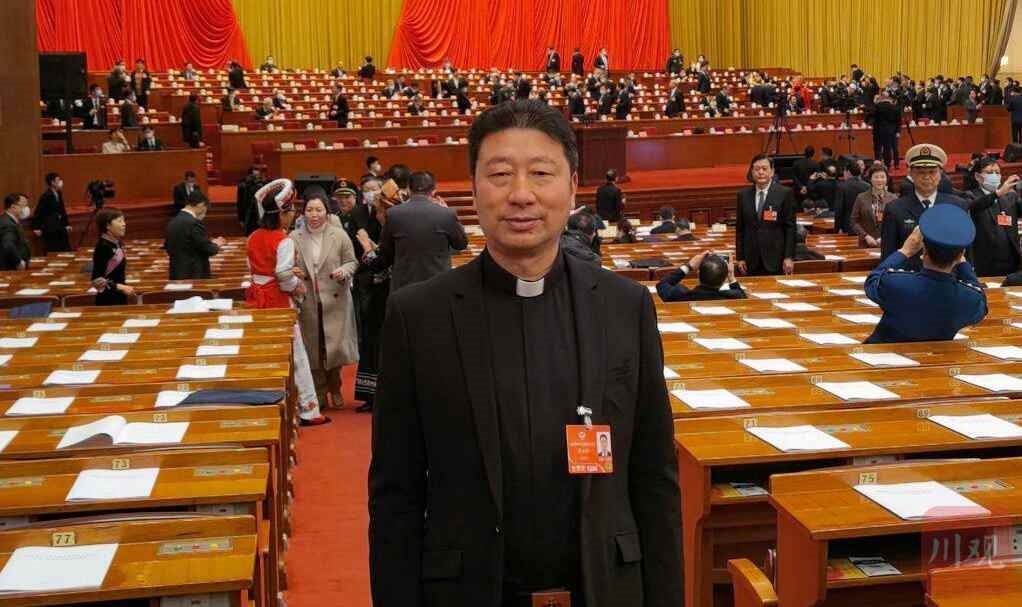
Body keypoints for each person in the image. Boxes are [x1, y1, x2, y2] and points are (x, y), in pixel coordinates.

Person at [369, 99, 682, 607]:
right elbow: (395, 495)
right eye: (499, 175)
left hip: (606, 588)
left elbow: (655, 480)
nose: (520, 194)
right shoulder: (418, 316)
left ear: (572, 187)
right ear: (473, 189)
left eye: (540, 173)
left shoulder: (626, 307)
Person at [246, 179, 328, 426]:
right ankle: (307, 410)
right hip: (279, 302)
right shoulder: (284, 239)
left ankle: (269, 404)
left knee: (265, 354)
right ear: (282, 213)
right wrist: (297, 286)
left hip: (257, 300)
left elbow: (257, 269)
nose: (293, 215)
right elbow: (282, 276)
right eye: (291, 211)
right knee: (297, 356)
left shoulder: (253, 236)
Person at [865, 205, 987, 343]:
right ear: (961, 255)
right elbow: (981, 302)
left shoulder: (896, 283)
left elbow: (872, 281)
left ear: (924, 250)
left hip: (886, 353)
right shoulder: (968, 298)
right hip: (937, 356)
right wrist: (963, 264)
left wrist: (904, 251)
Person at [290, 195, 359, 410]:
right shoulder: (294, 237)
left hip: (335, 299)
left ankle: (335, 387)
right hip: (308, 299)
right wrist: (293, 271)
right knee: (313, 348)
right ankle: (319, 391)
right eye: (310, 210)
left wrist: (344, 271)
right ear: (303, 213)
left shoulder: (339, 235)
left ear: (327, 212)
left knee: (333, 347)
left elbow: (352, 261)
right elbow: (286, 265)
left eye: (319, 210)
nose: (314, 215)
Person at [370, 171, 467, 293]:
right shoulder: (446, 214)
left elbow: (386, 252)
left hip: (404, 286)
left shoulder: (393, 214)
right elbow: (461, 244)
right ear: (433, 191)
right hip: (438, 286)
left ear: (409, 190)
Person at [880, 144, 967, 270]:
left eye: (932, 172)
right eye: (921, 172)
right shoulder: (895, 209)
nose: (926, 177)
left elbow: (965, 253)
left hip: (948, 278)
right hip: (909, 277)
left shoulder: (957, 206)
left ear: (941, 173)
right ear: (910, 174)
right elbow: (888, 255)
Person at [349, 177, 392, 413]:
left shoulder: (392, 232)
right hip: (378, 293)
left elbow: (380, 262)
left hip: (386, 294)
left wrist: (367, 247)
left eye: (380, 211)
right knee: (372, 344)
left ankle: (380, 397)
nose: (377, 215)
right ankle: (371, 395)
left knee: (379, 345)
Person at [736, 154, 796, 275]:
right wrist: (740, 257)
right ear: (752, 172)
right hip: (750, 260)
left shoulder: (784, 193)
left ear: (772, 172)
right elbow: (740, 229)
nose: (761, 172)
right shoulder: (743, 195)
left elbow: (790, 227)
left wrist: (789, 257)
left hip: (776, 259)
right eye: (757, 169)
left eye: (764, 168)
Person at [963, 157, 1022, 276]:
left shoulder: (1010, 196)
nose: (994, 175)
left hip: (1011, 261)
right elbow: (976, 207)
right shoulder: (970, 196)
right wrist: (997, 193)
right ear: (978, 177)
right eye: (990, 172)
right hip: (984, 262)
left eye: (997, 172)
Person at [165, 196, 223, 280]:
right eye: (205, 208)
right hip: (194, 274)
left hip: (176, 272)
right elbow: (208, 249)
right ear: (201, 205)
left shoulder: (172, 221)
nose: (205, 212)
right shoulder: (193, 223)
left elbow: (168, 247)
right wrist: (216, 244)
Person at [656, 251, 746, 302]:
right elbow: (741, 295)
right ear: (724, 280)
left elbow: (662, 284)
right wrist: (731, 276)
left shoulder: (679, 295)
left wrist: (688, 266)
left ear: (698, 274)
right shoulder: (731, 297)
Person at [90, 208, 133, 306]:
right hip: (108, 300)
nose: (124, 224)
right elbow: (97, 279)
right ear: (108, 226)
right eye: (119, 221)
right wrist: (120, 287)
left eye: (124, 221)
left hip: (119, 296)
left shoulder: (116, 243)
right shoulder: (103, 246)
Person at [851, 165, 896, 248]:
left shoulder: (893, 198)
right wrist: (865, 236)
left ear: (887, 179)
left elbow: (896, 222)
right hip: (866, 244)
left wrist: (885, 237)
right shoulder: (861, 197)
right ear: (870, 179)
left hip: (887, 244)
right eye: (876, 177)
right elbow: (854, 221)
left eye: (882, 177)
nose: (879, 180)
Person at [33, 173, 71, 253]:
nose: (61, 182)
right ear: (52, 182)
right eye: (58, 180)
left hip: (60, 227)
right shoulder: (46, 196)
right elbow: (39, 212)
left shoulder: (58, 193)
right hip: (50, 229)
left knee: (65, 250)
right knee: (53, 251)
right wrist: (36, 227)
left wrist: (66, 224)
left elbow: (62, 210)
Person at [835, 161, 869, 234]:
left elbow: (839, 209)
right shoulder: (867, 186)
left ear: (848, 172)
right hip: (864, 226)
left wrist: (837, 228)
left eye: (844, 171)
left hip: (847, 226)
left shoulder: (842, 186)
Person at [0, 193, 31, 270]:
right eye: (23, 206)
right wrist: (18, 261)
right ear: (13, 207)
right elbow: (8, 245)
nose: (26, 209)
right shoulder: (8, 224)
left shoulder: (10, 220)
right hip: (10, 268)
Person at [871, 90, 901, 168]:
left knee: (877, 148)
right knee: (887, 148)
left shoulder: (877, 106)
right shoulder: (895, 107)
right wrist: (898, 131)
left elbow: (871, 116)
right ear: (889, 98)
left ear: (882, 97)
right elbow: (898, 121)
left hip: (878, 130)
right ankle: (888, 164)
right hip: (891, 131)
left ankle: (877, 163)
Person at [237, 166, 264, 235]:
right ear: (249, 175)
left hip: (259, 214)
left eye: (258, 176)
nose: (256, 178)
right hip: (248, 215)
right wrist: (241, 218)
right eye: (254, 176)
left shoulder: (262, 185)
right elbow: (240, 203)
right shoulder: (243, 186)